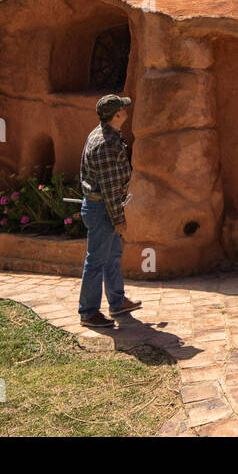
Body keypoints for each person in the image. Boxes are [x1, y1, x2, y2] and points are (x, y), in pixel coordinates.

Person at [78, 94, 142, 328]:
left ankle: (117, 301)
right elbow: (110, 188)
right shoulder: (106, 144)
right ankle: (88, 312)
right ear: (116, 116)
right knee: (95, 261)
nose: (126, 112)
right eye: (123, 110)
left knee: (112, 256)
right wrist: (118, 219)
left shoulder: (102, 134)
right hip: (102, 209)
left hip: (100, 206)